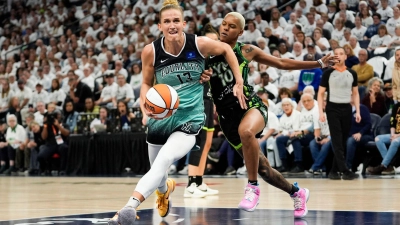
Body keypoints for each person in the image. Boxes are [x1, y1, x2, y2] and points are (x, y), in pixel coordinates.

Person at [108, 0, 245, 224]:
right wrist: (145, 103)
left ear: (183, 23)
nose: (172, 25)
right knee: (158, 170)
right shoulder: (150, 51)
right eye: (166, 21)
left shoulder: (198, 44)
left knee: (165, 159)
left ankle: (128, 207)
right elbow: (145, 83)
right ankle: (164, 191)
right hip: (161, 118)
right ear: (159, 26)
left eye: (176, 21)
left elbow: (227, 49)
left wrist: (238, 80)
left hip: (189, 117)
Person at [204, 12, 334, 217]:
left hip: (251, 107)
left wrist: (318, 63)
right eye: (223, 24)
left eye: (231, 26)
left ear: (240, 31)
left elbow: (282, 63)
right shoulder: (206, 56)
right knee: (264, 169)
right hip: (227, 119)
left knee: (246, 131)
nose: (225, 28)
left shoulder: (246, 50)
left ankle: (252, 187)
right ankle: (297, 193)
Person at [184, 23, 219, 198]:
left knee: (207, 144)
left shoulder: (214, 59)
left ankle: (199, 181)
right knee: (198, 142)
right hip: (198, 102)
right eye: (210, 40)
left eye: (216, 40)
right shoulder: (195, 56)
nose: (214, 43)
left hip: (209, 102)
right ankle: (190, 184)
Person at [317, 47, 360, 180]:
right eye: (336, 54)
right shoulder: (328, 73)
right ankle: (345, 170)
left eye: (341, 54)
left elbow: (356, 93)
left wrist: (357, 111)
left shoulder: (352, 73)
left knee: (343, 140)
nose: (338, 56)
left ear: (346, 56)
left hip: (347, 108)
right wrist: (321, 112)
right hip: (332, 108)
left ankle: (334, 171)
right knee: (336, 140)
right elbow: (320, 93)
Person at [367, 102, 400, 175]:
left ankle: (383, 165)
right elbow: (392, 123)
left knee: (395, 142)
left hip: (398, 136)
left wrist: (397, 136)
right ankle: (388, 166)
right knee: (378, 139)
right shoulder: (396, 106)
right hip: (395, 134)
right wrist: (392, 135)